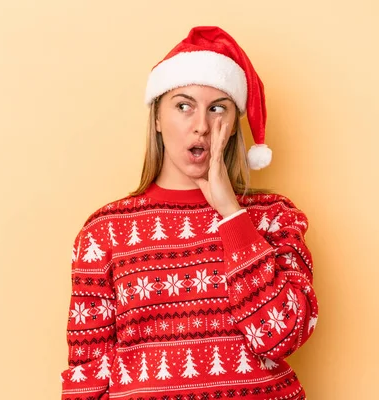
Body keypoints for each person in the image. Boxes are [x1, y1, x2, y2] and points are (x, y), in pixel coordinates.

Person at [60, 26, 319, 400]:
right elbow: (87, 373)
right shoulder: (104, 234)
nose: (200, 126)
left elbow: (282, 335)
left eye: (217, 109)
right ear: (157, 119)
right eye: (183, 106)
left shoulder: (275, 218)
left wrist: (232, 214)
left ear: (232, 128)